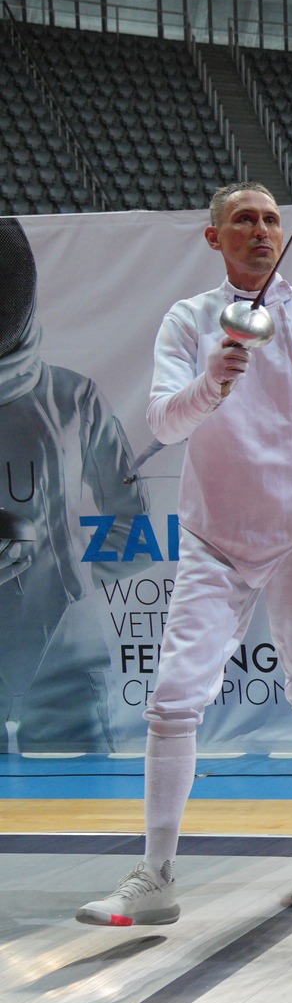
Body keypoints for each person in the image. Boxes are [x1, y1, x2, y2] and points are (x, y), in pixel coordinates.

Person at [77, 183, 292, 926]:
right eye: (243, 219)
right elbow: (162, 419)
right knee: (172, 700)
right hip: (217, 536)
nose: (261, 229)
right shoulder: (187, 320)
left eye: (272, 218)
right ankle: (155, 875)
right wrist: (213, 378)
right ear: (214, 237)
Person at [1, 217, 153, 753]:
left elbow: (135, 525)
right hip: (67, 643)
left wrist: (69, 577)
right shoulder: (73, 398)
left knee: (79, 802)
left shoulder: (74, 398)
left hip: (64, 659)